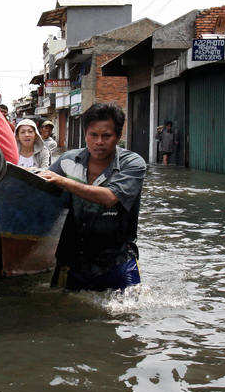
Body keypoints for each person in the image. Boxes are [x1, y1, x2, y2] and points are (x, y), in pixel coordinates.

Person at [39, 103, 146, 292]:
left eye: (106, 136)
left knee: (127, 313)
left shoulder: (133, 164)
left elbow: (110, 197)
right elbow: (39, 188)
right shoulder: (67, 161)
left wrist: (63, 181)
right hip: (72, 258)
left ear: (118, 137)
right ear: (85, 135)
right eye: (93, 135)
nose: (99, 142)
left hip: (116, 258)